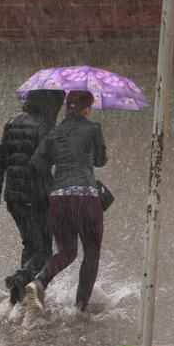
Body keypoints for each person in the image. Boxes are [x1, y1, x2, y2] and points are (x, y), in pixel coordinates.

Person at [24, 90, 107, 315]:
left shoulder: (54, 133)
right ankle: (80, 309)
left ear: (67, 108)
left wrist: (54, 184)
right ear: (87, 109)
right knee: (91, 255)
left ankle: (40, 281)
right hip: (86, 199)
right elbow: (101, 161)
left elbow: (36, 163)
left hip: (59, 200)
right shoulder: (93, 129)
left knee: (67, 253)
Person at [0, 89, 66, 306]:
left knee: (30, 245)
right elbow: (50, 164)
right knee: (44, 251)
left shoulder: (12, 122)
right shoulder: (46, 127)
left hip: (14, 197)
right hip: (37, 197)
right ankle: (21, 281)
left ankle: (21, 299)